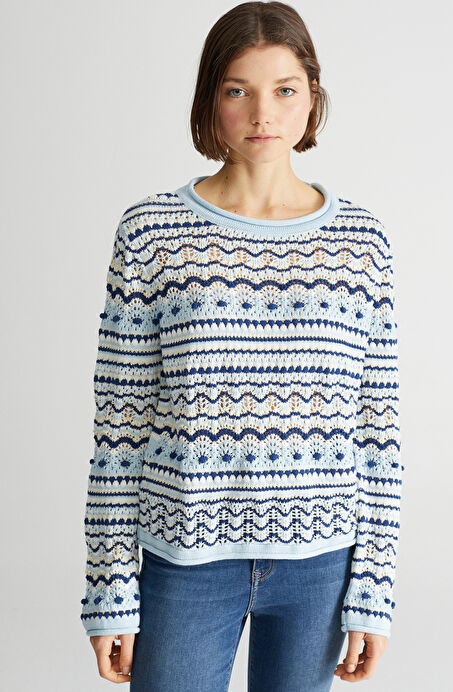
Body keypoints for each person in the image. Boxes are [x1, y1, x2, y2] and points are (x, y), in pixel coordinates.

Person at [80, 2, 402, 689]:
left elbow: (377, 427)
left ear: (311, 98)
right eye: (238, 90)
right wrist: (109, 587)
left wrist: (374, 590)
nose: (262, 113)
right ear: (210, 100)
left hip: (321, 564)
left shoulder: (361, 241)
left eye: (284, 90)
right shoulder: (151, 232)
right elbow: (120, 424)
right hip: (184, 560)